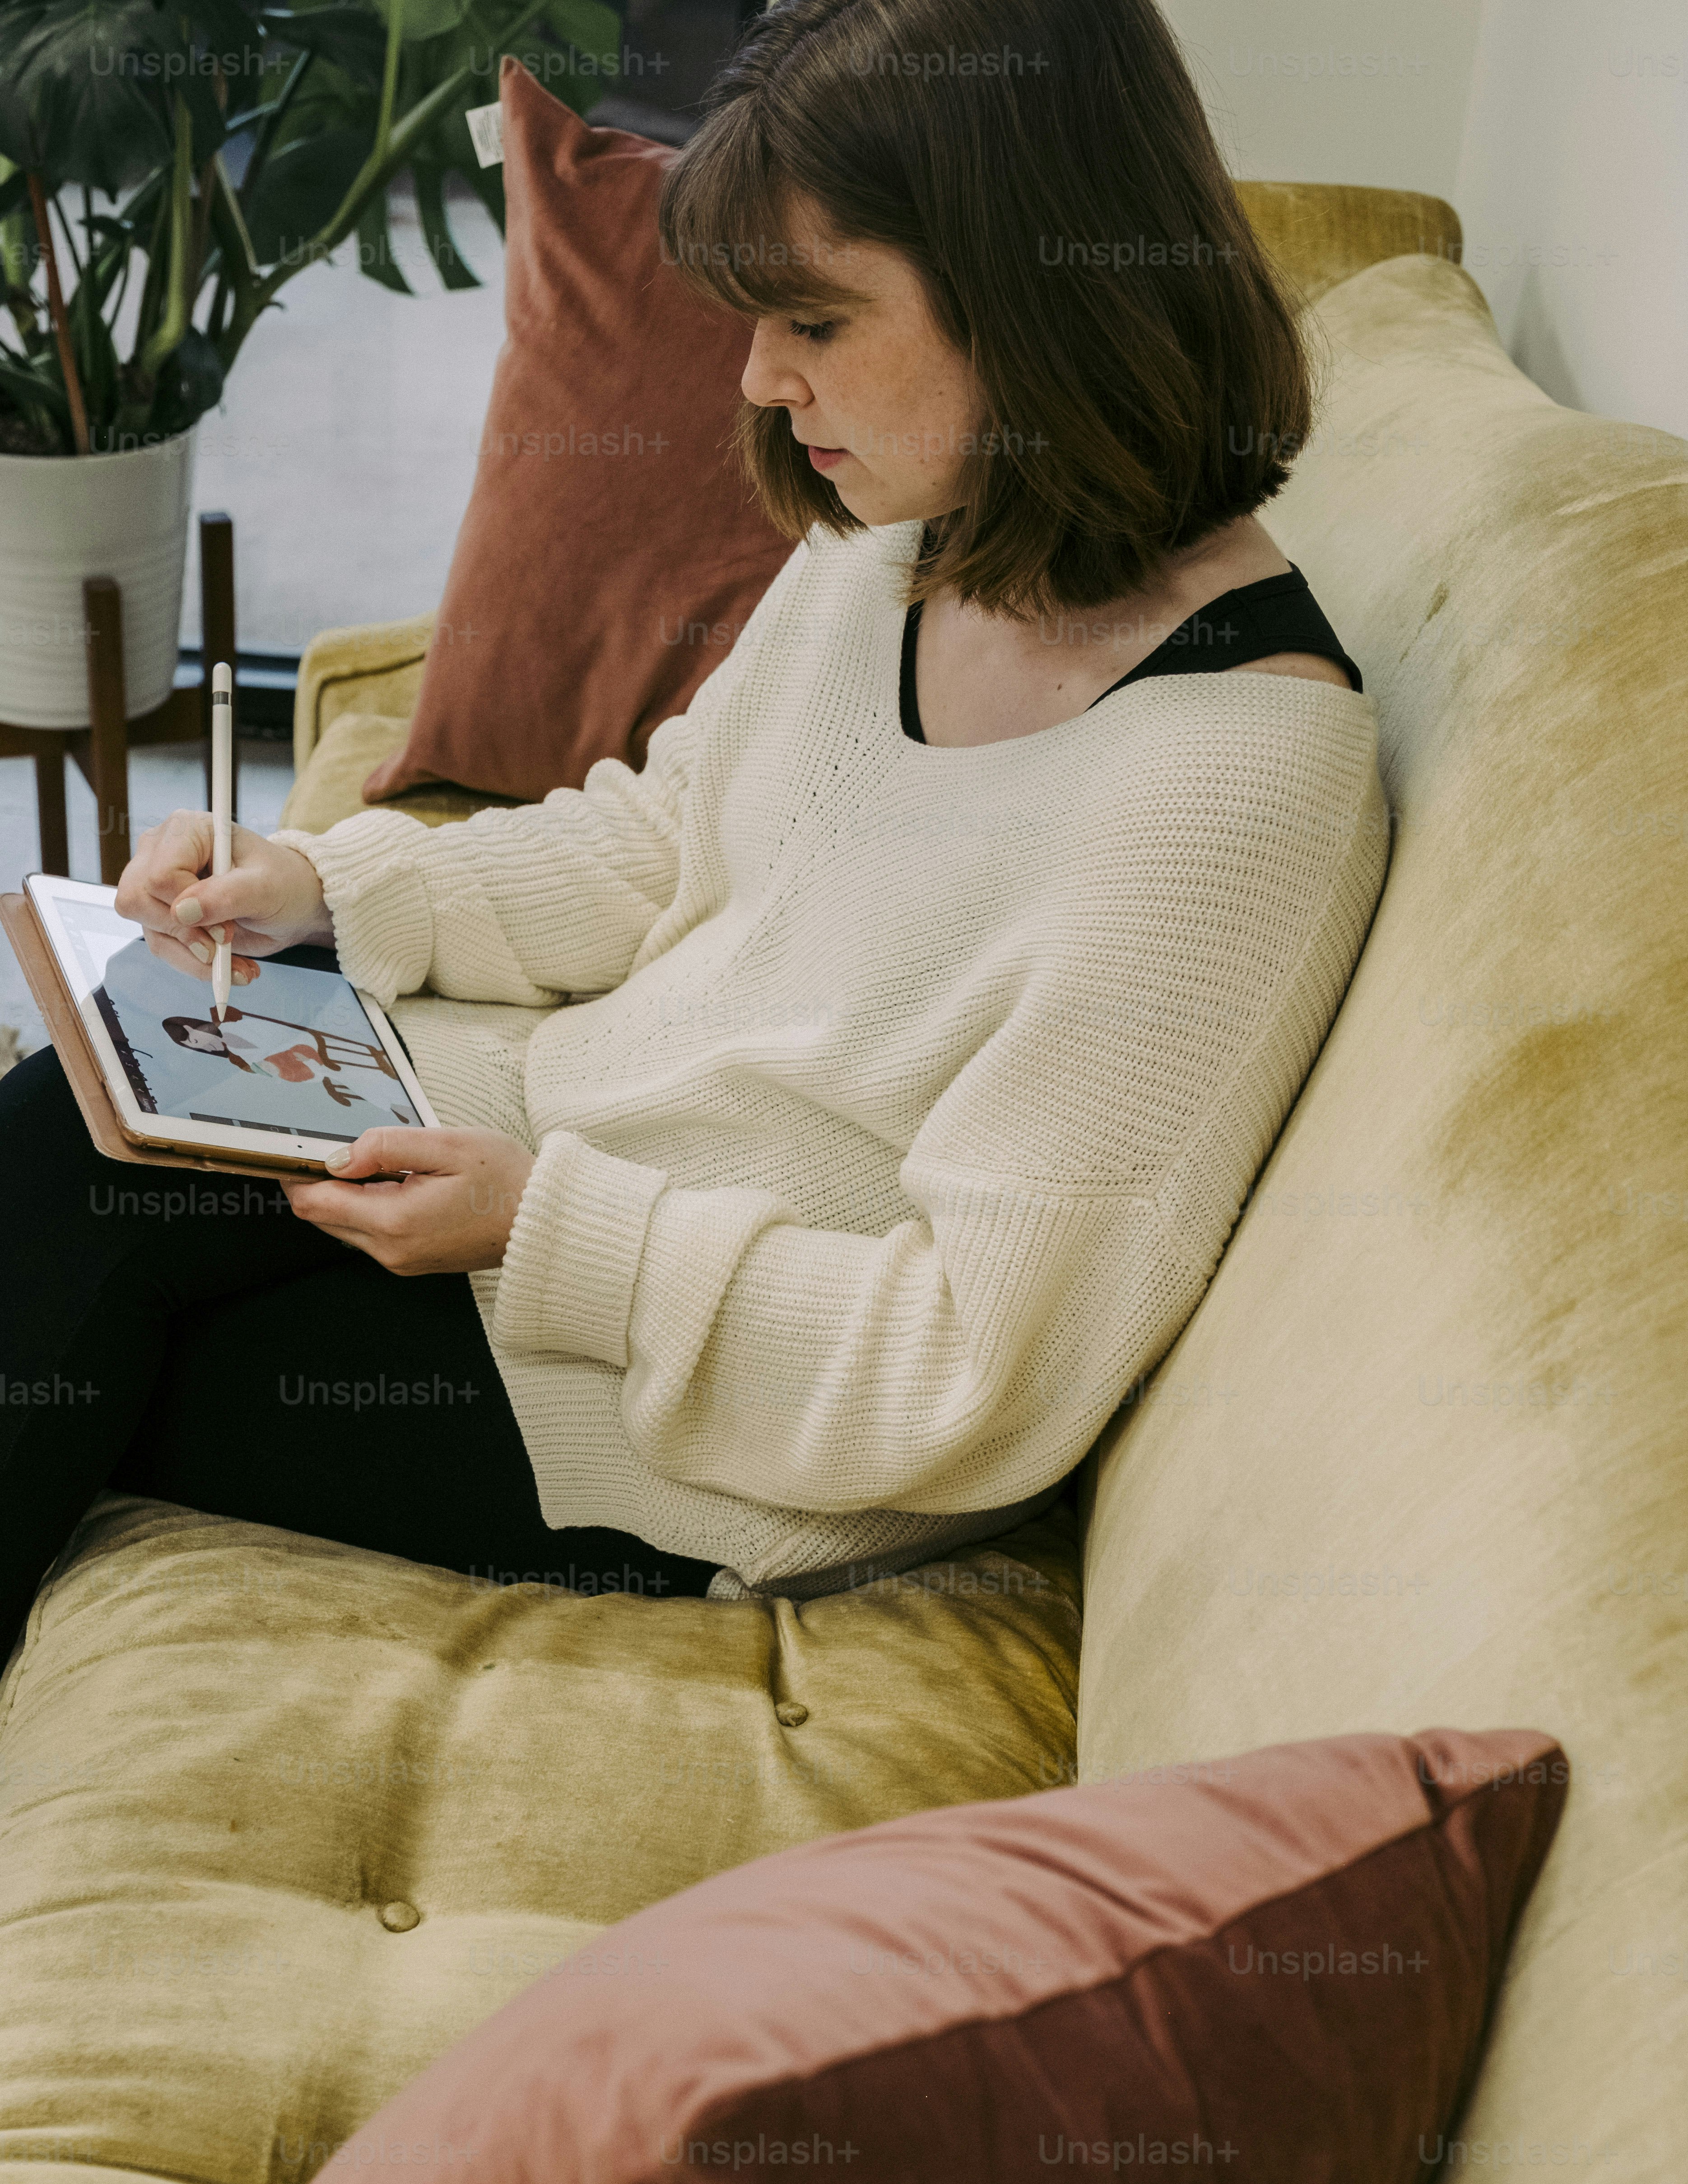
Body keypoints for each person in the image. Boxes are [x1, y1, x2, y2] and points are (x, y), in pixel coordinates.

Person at [0, 0, 1387, 1661]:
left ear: (1041, 292)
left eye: (811, 316)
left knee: (86, 1319)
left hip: (714, 1428)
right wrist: (317, 887)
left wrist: (545, 1225)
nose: (755, 376)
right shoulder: (912, 535)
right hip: (559, 1162)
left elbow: (971, 1366)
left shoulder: (1231, 786)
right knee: (66, 1122)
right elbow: (664, 847)